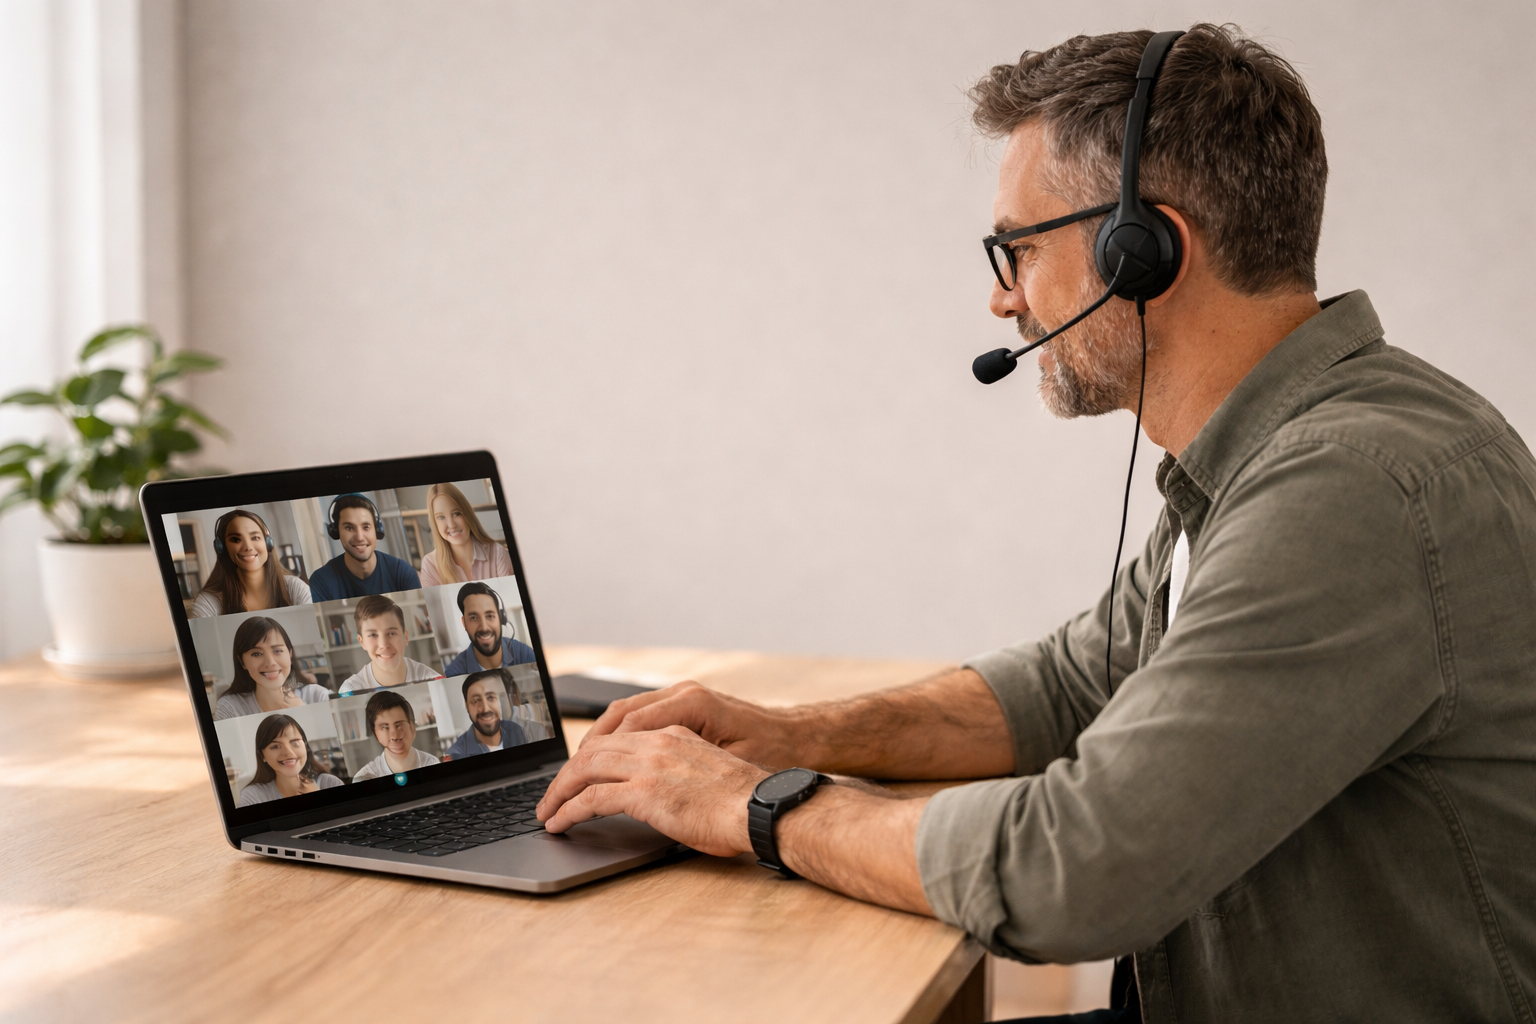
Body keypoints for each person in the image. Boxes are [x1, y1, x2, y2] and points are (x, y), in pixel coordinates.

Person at [533, 26, 1536, 1023]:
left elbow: (1077, 867)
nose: (1002, 296)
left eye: (1017, 247)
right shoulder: (1278, 453)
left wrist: (751, 806)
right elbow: (1069, 685)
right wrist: (787, 732)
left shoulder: (1349, 491)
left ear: (1141, 251)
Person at [190, 509, 310, 617]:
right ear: (221, 547)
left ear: (268, 543)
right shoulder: (208, 603)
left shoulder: (295, 588)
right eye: (236, 540)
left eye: (255, 537)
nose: (248, 547)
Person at [213, 616, 331, 720]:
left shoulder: (318, 696)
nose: (270, 663)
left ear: (290, 654)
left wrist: (302, 710)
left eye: (277, 651)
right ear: (242, 662)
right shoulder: (230, 708)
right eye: (257, 654)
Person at [308, 493, 420, 602]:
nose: (359, 537)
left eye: (366, 527)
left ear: (377, 530)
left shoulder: (402, 572)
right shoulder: (321, 581)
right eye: (349, 528)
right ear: (336, 532)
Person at [338, 595, 443, 695]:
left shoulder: (435, 682)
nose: (383, 644)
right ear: (362, 642)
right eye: (373, 635)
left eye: (391, 633)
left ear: (405, 637)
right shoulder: (350, 690)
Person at [416, 482, 514, 586]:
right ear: (434, 522)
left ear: (467, 514)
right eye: (441, 517)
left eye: (456, 514)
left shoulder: (497, 553)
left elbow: (513, 600)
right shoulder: (430, 564)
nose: (451, 525)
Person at [237, 714, 343, 806]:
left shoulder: (330, 783)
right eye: (275, 746)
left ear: (305, 747)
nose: (289, 753)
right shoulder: (252, 796)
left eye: (295, 742)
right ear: (262, 755)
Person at [440, 582, 536, 676]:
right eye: (473, 618)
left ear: (500, 618)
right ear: (464, 623)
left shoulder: (525, 654)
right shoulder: (453, 672)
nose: (484, 628)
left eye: (489, 616)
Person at [350, 690, 441, 781]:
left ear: (412, 727)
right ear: (376, 733)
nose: (394, 735)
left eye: (399, 725)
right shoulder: (364, 778)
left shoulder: (433, 764)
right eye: (385, 727)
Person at [444, 669, 528, 760]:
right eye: (475, 701)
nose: (485, 709)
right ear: (467, 706)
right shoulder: (456, 755)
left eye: (491, 697)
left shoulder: (515, 730)